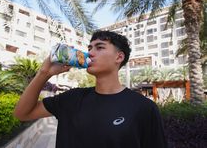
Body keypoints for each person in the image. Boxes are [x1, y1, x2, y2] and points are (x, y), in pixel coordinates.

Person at [14, 30, 167, 148]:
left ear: (119, 57)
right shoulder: (71, 98)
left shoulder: (144, 107)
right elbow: (22, 113)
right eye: (89, 48)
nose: (90, 53)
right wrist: (44, 73)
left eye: (99, 47)